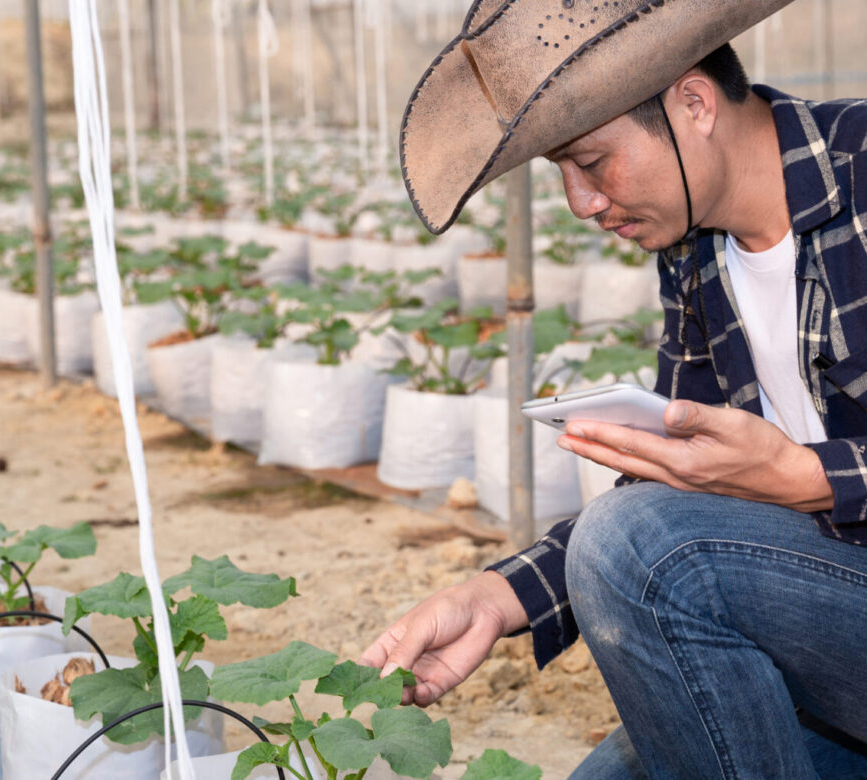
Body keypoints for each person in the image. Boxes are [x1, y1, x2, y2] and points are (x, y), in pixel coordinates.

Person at [361, 2, 867, 777]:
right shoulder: (695, 256)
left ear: (693, 104)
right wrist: (497, 599)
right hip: (823, 619)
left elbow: (651, 545)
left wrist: (802, 476)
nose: (581, 203)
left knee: (636, 545)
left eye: (591, 162)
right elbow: (664, 494)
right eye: (560, 172)